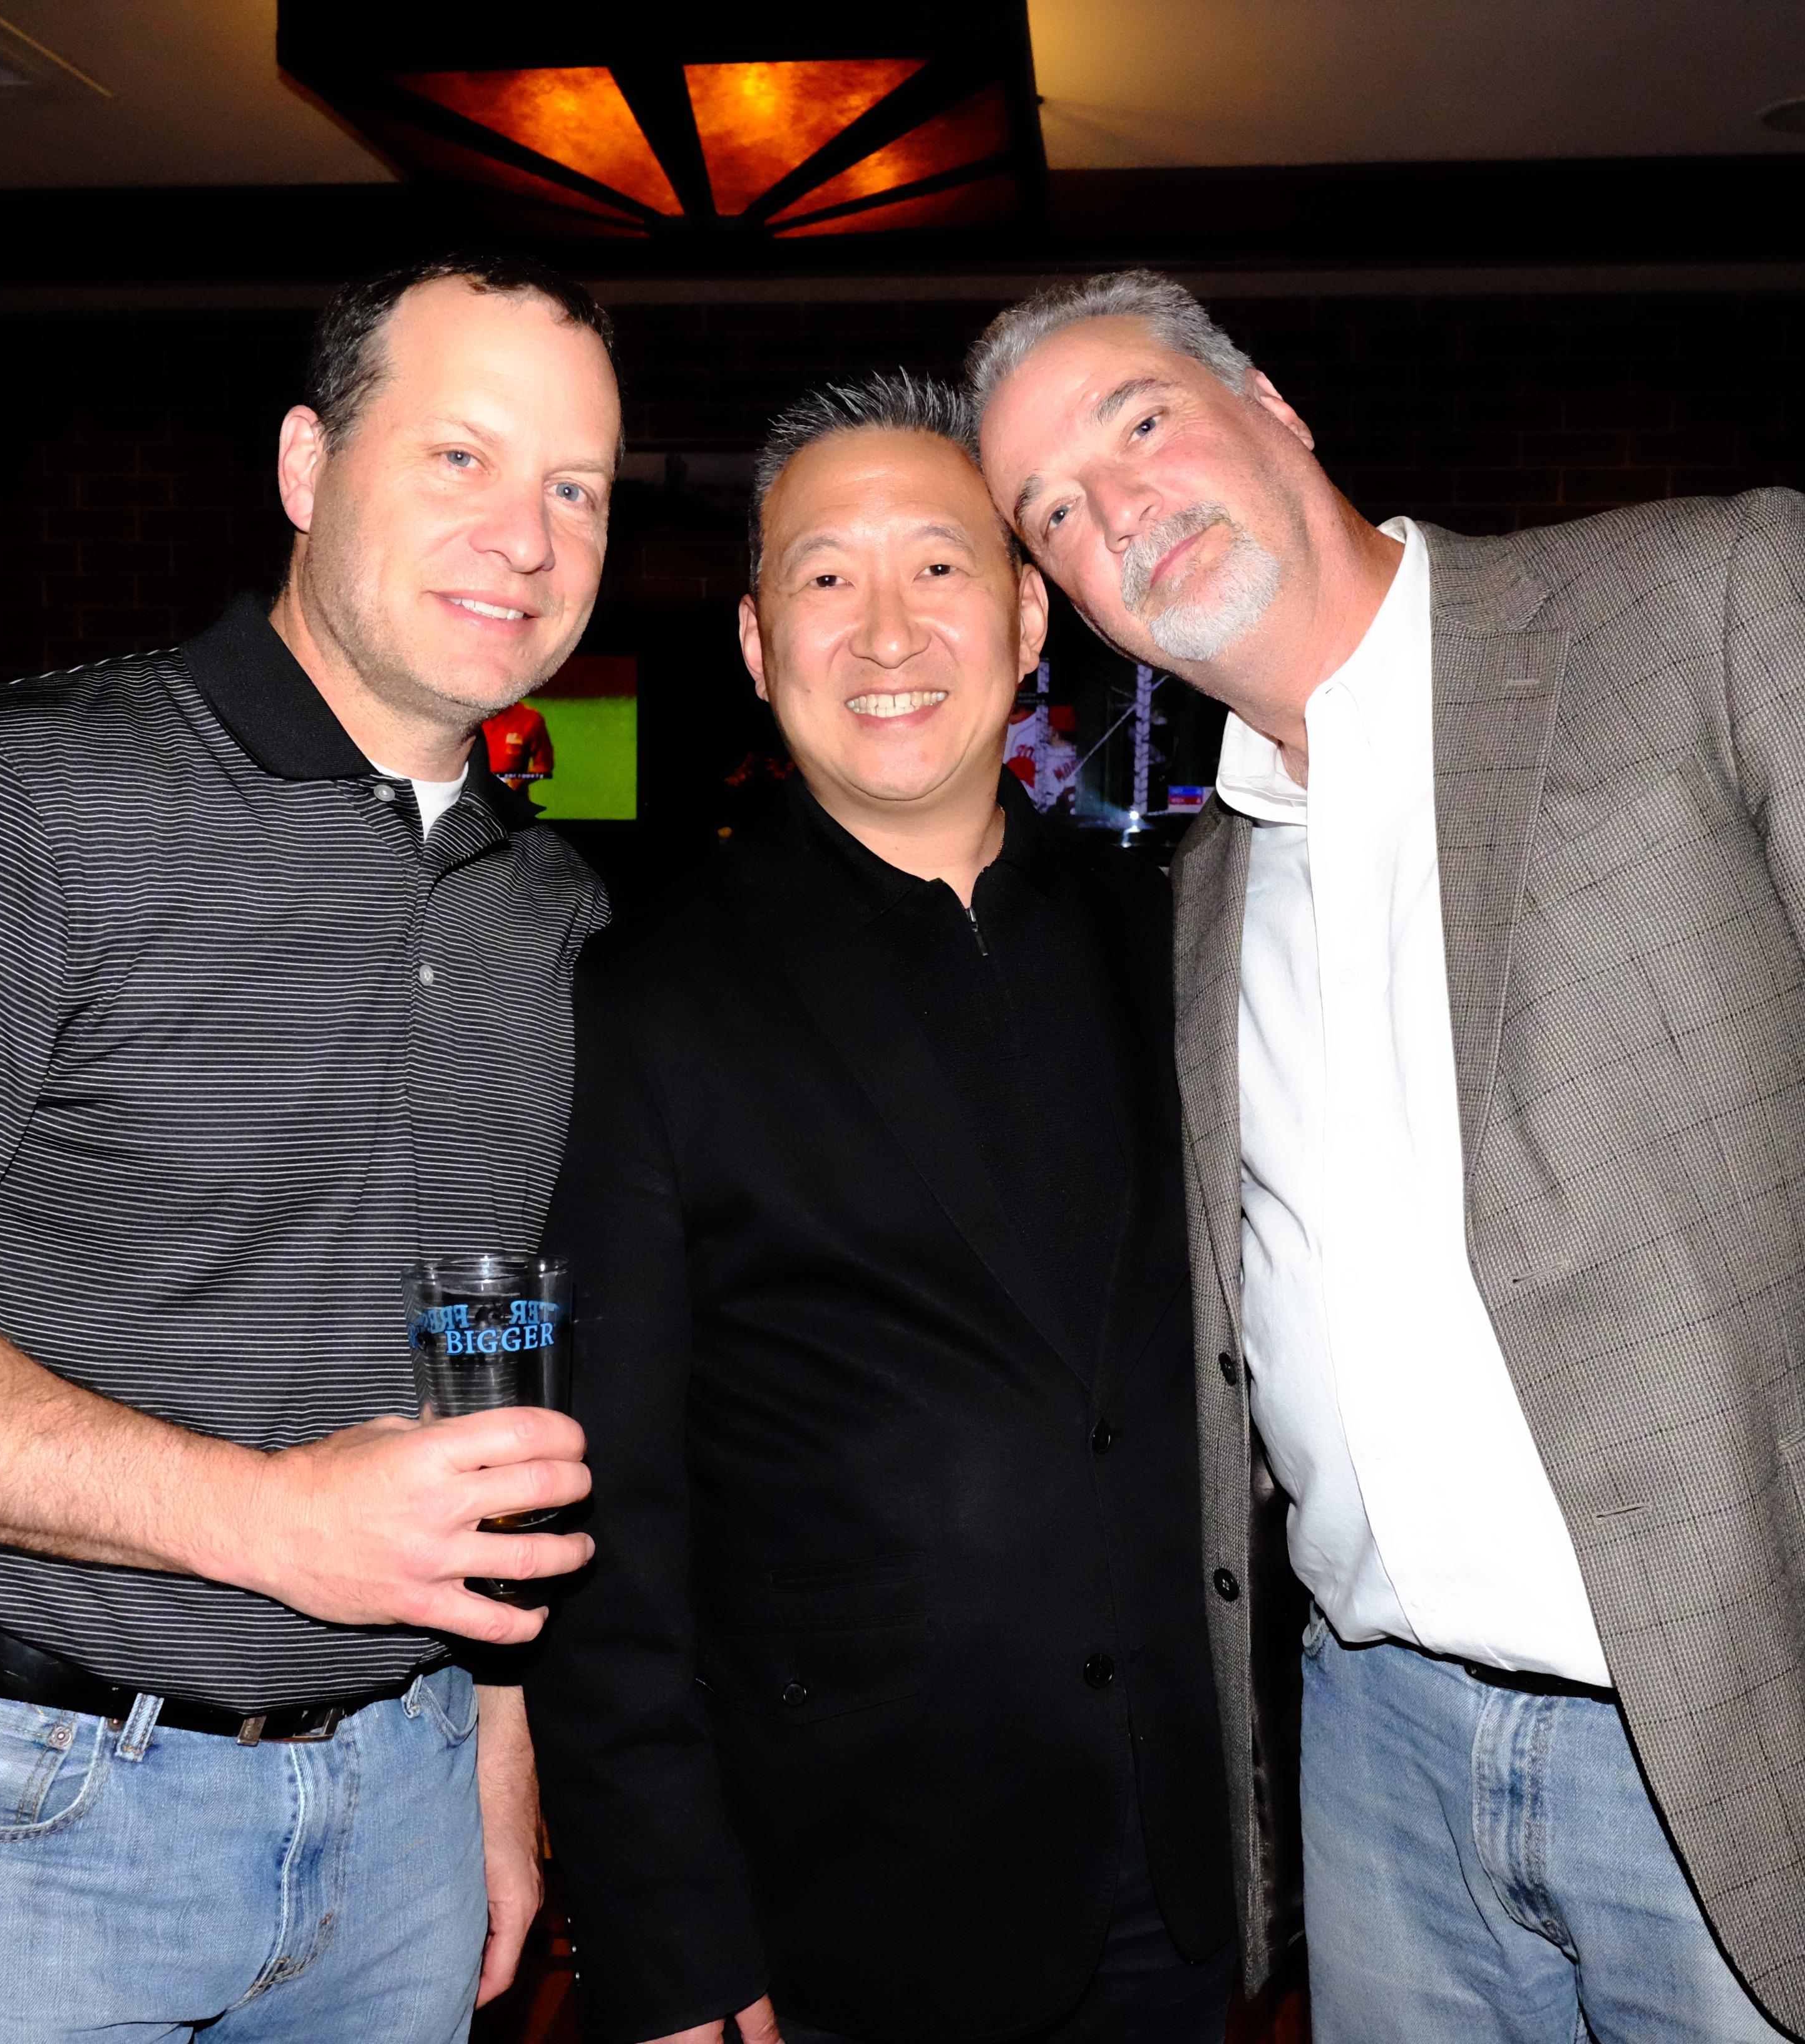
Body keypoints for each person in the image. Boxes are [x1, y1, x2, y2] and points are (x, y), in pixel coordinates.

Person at [968, 272, 1805, 2044]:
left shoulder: (1709, 604)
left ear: (1270, 403)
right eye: (1053, 506)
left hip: (1769, 1742)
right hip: (1378, 1754)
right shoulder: (1206, 889)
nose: (1117, 505)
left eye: (1136, 422)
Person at [0, 254, 624, 2043]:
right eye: (462, 459)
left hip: (401, 1824)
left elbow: (480, 1382)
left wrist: (491, 1727)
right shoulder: (14, 792)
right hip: (36, 1817)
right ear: (309, 470)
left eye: (578, 489)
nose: (528, 536)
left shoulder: (538, 902)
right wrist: (262, 1520)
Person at [528, 373, 1235, 2044]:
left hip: (1188, 1884)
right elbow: (605, 1521)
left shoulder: (1186, 945)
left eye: (937, 565)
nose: (888, 629)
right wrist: (672, 1948)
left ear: (1027, 617)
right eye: (827, 579)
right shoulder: (646, 1001)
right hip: (842, 1911)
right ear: (764, 648)